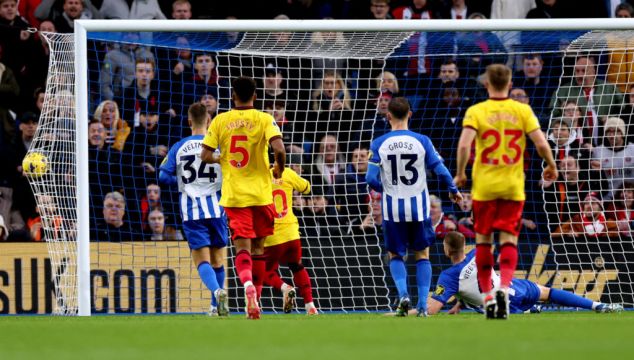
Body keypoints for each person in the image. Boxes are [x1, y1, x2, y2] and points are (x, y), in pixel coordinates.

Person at [454, 63, 558, 319]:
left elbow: (465, 145)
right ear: (510, 85)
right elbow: (541, 142)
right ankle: (504, 287)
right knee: (509, 240)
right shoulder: (521, 109)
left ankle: (489, 296)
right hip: (513, 185)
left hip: (485, 186)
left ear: (487, 84)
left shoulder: (476, 110)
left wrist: (460, 173)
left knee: (484, 243)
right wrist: (552, 165)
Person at [366, 97, 462, 317]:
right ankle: (421, 306)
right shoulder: (422, 141)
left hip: (393, 209)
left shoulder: (379, 143)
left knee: (395, 255)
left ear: (388, 116)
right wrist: (453, 189)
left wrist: (387, 188)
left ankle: (402, 296)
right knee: (422, 255)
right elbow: (441, 169)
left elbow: (370, 178)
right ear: (410, 114)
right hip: (418, 207)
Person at [200, 76, 286, 320]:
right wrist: (279, 168)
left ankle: (247, 285)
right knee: (259, 248)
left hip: (235, 196)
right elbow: (279, 149)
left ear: (232, 96)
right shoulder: (264, 118)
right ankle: (256, 299)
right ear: (256, 96)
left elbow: (205, 155)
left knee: (242, 249)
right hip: (261, 194)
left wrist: (221, 158)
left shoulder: (220, 120)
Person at [426, 232, 623, 315]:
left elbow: (433, 309)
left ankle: (531, 310)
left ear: (446, 250)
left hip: (500, 307)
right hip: (512, 289)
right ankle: (598, 305)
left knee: (486, 305)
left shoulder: (448, 276)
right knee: (547, 292)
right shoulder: (478, 252)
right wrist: (461, 303)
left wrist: (401, 313)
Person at [159, 102, 229, 317]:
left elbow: (162, 176)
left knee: (202, 260)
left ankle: (217, 292)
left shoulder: (179, 147)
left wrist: (183, 181)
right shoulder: (218, 147)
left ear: (189, 122)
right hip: (218, 210)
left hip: (192, 211)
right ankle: (215, 306)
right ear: (209, 121)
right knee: (218, 259)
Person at [263, 163, 318, 315]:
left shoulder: (260, 176)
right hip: (291, 232)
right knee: (297, 266)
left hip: (271, 234)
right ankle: (310, 305)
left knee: (266, 271)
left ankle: (285, 288)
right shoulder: (287, 173)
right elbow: (306, 187)